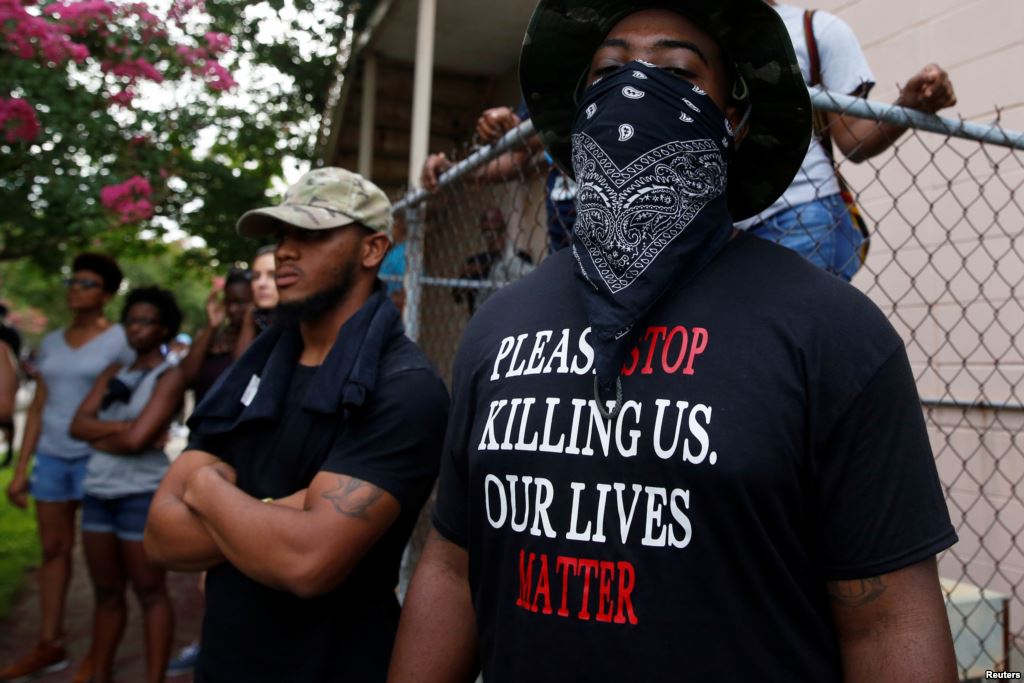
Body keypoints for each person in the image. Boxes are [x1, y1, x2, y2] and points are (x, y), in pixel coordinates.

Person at [389, 2, 958, 682]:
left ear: (736, 118)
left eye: (679, 73)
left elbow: (887, 622)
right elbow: (453, 566)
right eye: (608, 72)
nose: (634, 90)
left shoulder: (833, 337)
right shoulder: (497, 327)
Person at [144, 167, 449, 683]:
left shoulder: (403, 386)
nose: (285, 250)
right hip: (225, 662)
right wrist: (286, 509)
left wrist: (202, 488)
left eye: (310, 234)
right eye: (282, 235)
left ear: (371, 250)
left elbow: (307, 563)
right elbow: (161, 538)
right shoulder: (256, 367)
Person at [736, 1, 957, 280]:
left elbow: (853, 139)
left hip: (801, 216)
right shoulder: (694, 33)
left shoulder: (815, 30)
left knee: (797, 321)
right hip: (724, 227)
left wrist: (910, 106)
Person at [1, 253, 134, 682]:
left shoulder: (120, 342)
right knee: (53, 553)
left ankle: (101, 653)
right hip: (54, 460)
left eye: (88, 283)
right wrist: (23, 469)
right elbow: (39, 406)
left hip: (99, 459)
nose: (75, 288)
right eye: (73, 281)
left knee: (105, 564)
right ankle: (49, 642)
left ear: (108, 294)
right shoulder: (53, 343)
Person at [70, 286, 186, 683]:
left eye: (147, 321)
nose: (136, 329)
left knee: (150, 591)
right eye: (131, 320)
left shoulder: (169, 377)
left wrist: (104, 432)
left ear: (165, 328)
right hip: (99, 491)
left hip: (139, 494)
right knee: (106, 592)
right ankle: (99, 672)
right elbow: (76, 425)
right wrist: (128, 428)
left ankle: (153, 677)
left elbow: (139, 442)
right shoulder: (112, 373)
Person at [422, 107, 577, 254]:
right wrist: (449, 169)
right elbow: (512, 160)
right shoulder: (536, 86)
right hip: (562, 234)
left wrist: (520, 132)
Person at [180, 269, 251, 406]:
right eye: (228, 302)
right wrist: (212, 326)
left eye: (240, 302)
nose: (232, 309)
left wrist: (248, 323)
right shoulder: (213, 339)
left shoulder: (262, 337)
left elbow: (241, 377)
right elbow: (184, 377)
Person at [453, 208, 535, 315]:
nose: (493, 238)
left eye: (497, 231)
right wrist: (464, 278)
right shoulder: (475, 261)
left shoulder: (521, 257)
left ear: (504, 231)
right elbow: (457, 295)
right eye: (488, 234)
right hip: (481, 319)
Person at [234, 246, 279, 358]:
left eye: (272, 275)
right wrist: (248, 322)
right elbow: (241, 367)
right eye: (256, 276)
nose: (261, 283)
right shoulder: (257, 319)